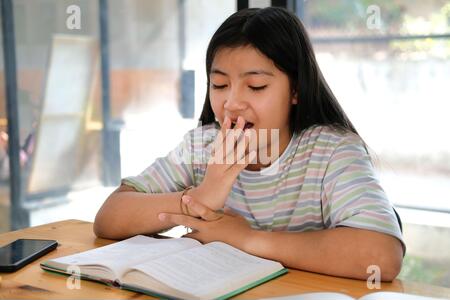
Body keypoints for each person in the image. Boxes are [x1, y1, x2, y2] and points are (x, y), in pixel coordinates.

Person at [94, 7, 405, 281]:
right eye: (219, 85)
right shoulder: (203, 145)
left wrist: (246, 239)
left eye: (256, 86)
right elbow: (109, 217)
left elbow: (383, 256)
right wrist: (201, 195)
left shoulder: (332, 150)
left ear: (295, 90)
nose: (231, 103)